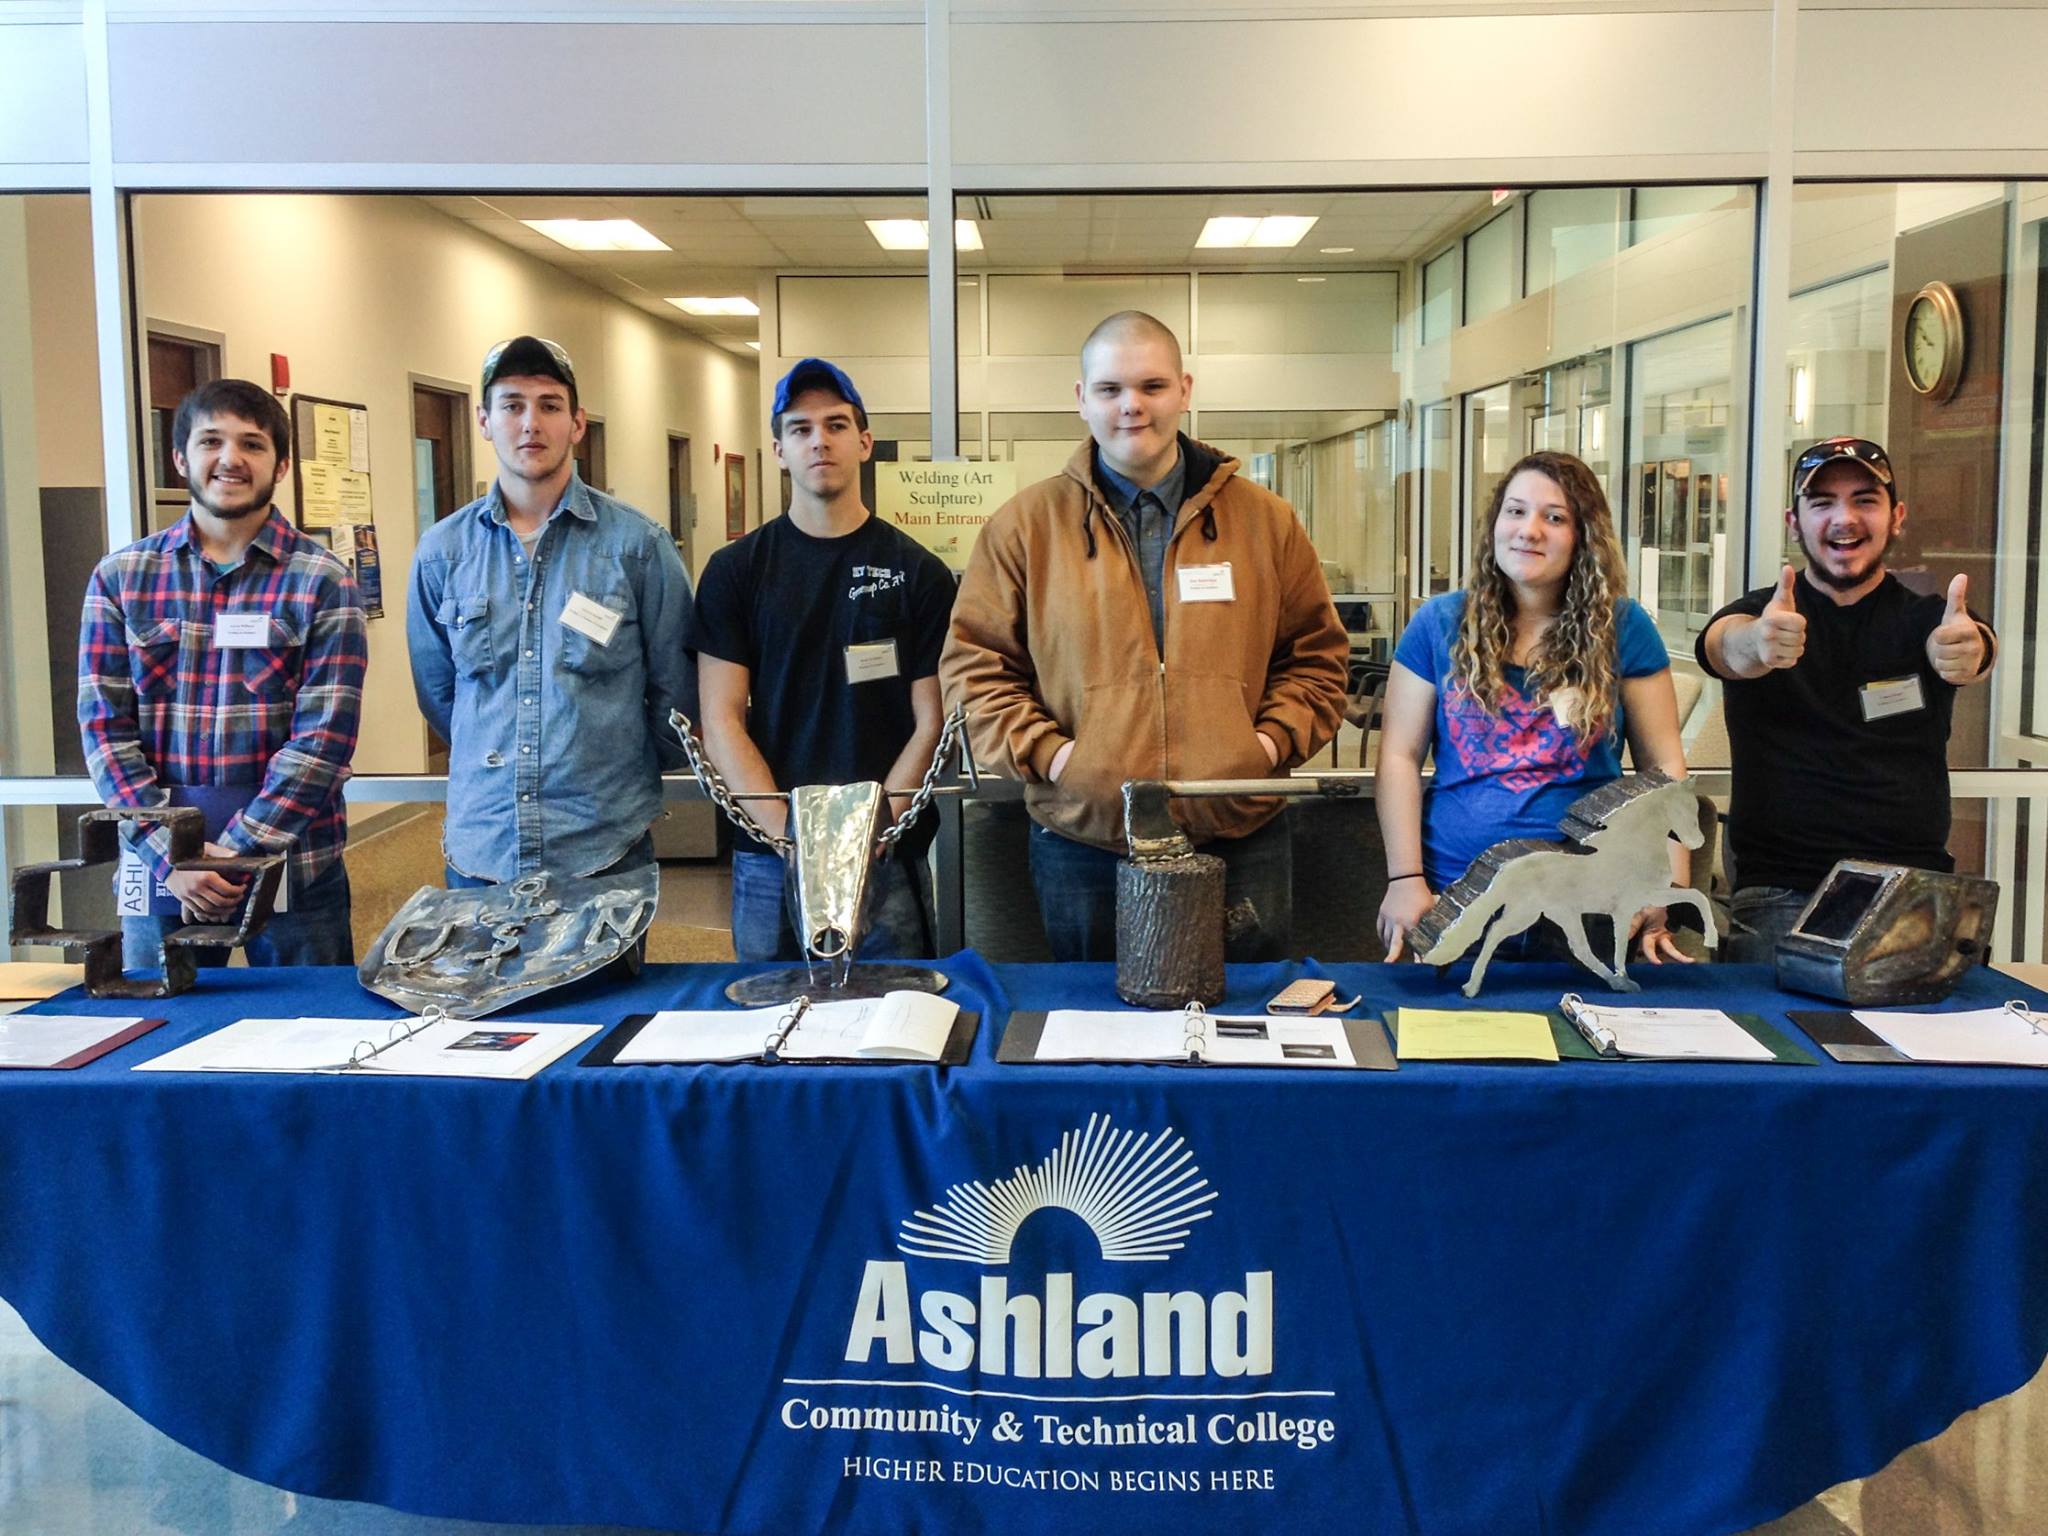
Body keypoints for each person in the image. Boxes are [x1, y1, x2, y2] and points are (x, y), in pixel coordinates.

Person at [941, 310, 1349, 962]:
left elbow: (1317, 657)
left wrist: (1264, 744)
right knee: (1097, 1039)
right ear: (1082, 399)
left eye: (1152, 386)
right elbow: (975, 668)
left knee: (1242, 1032)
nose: (1132, 405)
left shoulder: (1265, 521)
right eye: (1110, 389)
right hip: (1085, 841)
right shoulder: (1025, 528)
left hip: (1240, 833)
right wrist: (1056, 758)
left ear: (1184, 390)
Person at [78, 378, 367, 968]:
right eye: (211, 441)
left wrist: (235, 853)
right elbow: (104, 730)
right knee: (161, 1037)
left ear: (281, 465)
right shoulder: (121, 578)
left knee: (308, 1040)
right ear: (181, 456)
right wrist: (173, 853)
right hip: (162, 874)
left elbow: (324, 741)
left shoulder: (324, 582)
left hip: (295, 866)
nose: (230, 459)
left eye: (252, 444)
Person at [1376, 450, 1692, 963]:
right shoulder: (1438, 624)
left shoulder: (1624, 628)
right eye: (1516, 511)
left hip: (1591, 900)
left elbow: (1664, 771)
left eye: (1554, 517)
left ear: (1584, 537)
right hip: (1455, 893)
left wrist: (1667, 884)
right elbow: (1399, 757)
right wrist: (1404, 877)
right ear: (1495, 523)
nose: (1529, 530)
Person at [688, 359, 955, 959]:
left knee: (894, 1024)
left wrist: (870, 831)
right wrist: (793, 841)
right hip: (771, 855)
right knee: (769, 1024)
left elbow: (931, 722)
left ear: (864, 443)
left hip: (885, 852)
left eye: (836, 425)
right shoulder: (736, 572)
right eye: (801, 428)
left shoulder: (919, 574)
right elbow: (722, 717)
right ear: (779, 449)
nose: (819, 441)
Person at [408, 335, 694, 886]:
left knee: (607, 979)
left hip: (604, 844)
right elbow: (439, 693)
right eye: (512, 405)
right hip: (483, 845)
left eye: (549, 406)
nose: (530, 424)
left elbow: (676, 688)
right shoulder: (443, 552)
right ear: (485, 421)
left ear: (578, 423)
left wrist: (610, 769)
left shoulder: (637, 547)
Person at [1697, 436, 1995, 961]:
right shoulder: (1760, 615)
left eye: (1864, 500)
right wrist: (1758, 645)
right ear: (1795, 522)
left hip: (1912, 892)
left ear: (1896, 516)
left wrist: (1969, 652)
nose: (1845, 518)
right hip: (1783, 896)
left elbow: (1969, 644)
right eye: (1823, 503)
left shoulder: (1928, 619)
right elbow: (1726, 647)